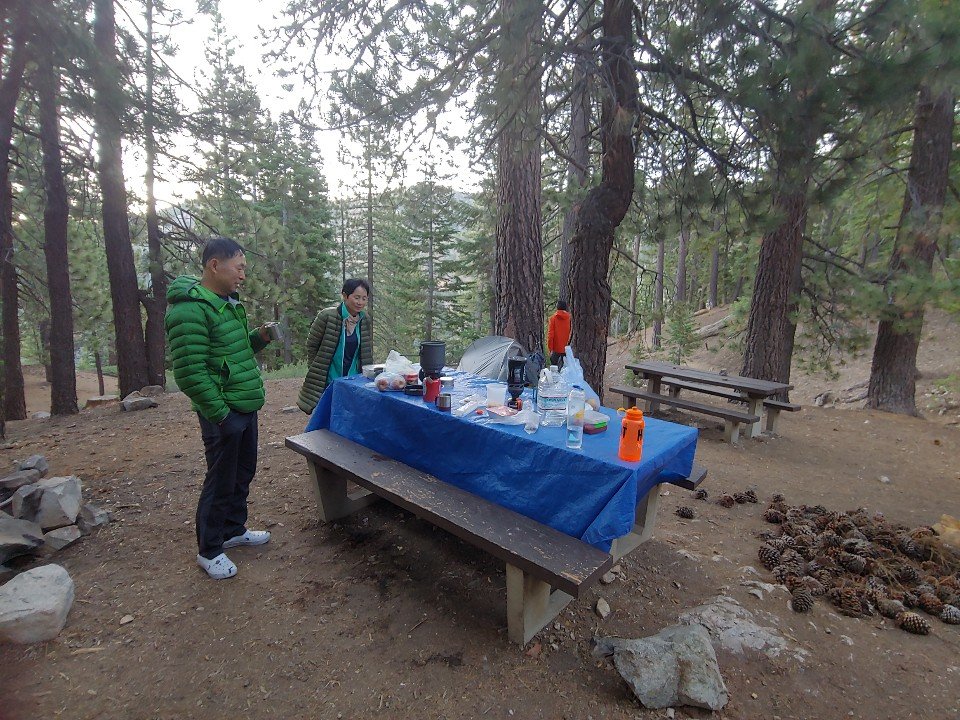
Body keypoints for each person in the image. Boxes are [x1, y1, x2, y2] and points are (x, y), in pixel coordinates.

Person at [165, 238, 275, 580]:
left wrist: (259, 337)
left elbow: (236, 350)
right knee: (221, 480)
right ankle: (210, 550)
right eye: (239, 268)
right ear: (215, 265)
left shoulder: (227, 303)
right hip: (223, 411)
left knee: (242, 472)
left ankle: (232, 530)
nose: (243, 275)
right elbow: (190, 372)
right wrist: (221, 414)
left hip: (244, 403)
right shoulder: (189, 310)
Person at [297, 279, 373, 414]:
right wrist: (317, 369)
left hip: (354, 381)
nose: (360, 302)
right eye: (356, 297)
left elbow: (365, 351)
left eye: (364, 298)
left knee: (349, 416)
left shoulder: (364, 320)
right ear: (345, 296)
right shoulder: (327, 316)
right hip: (329, 380)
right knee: (327, 417)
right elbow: (312, 345)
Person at [547, 299, 571, 369]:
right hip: (567, 348)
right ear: (566, 308)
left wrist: (550, 349)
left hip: (556, 348)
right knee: (566, 369)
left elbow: (550, 335)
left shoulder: (553, 318)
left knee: (554, 370)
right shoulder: (570, 318)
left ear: (557, 307)